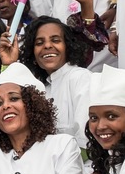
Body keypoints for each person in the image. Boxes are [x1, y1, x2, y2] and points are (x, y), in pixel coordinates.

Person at [18, 12, 94, 149]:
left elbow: (86, 138)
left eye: (55, 40)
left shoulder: (81, 77)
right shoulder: (40, 88)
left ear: (68, 46)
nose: (47, 46)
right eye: (39, 43)